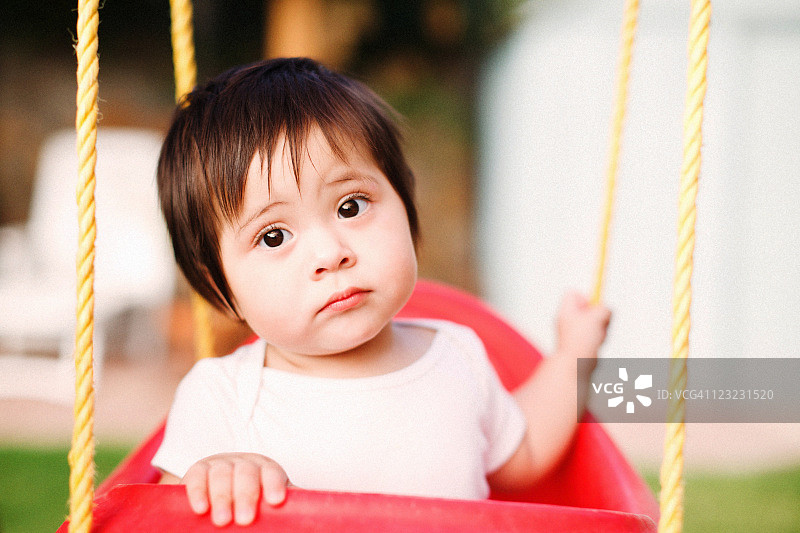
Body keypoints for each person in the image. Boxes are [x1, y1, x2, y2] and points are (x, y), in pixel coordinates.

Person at [153, 57, 611, 527]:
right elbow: (160, 518)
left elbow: (527, 450)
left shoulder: (457, 356)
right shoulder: (222, 397)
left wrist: (575, 350)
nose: (331, 253)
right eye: (274, 237)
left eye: (351, 206)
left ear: (406, 202)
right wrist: (213, 479)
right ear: (219, 286)